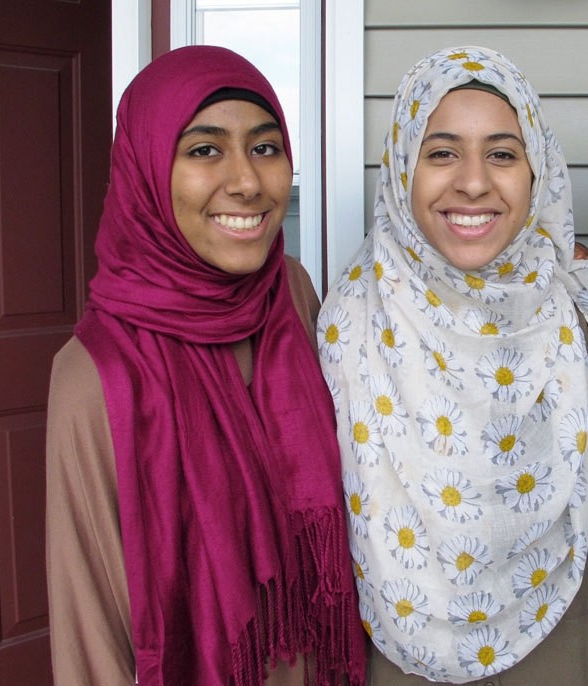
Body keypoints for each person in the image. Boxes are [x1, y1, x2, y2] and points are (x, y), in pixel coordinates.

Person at [45, 46, 366, 686]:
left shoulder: (292, 294)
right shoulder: (97, 373)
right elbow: (89, 626)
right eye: (204, 150)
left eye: (265, 147)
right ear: (146, 171)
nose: (247, 181)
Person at [316, 46, 588, 684]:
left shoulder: (582, 302)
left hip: (557, 639)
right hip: (399, 650)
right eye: (441, 153)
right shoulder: (348, 321)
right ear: (403, 167)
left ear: (537, 170)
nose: (472, 182)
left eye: (502, 154)